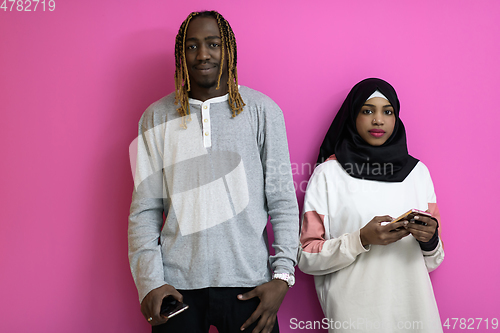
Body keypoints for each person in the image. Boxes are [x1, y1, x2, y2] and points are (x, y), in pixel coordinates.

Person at [128, 10, 299, 333]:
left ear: (229, 50)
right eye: (191, 46)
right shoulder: (156, 116)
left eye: (213, 44)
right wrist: (150, 283)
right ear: (181, 54)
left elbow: (282, 201)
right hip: (176, 289)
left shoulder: (263, 111)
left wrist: (282, 277)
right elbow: (144, 210)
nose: (203, 54)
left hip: (250, 284)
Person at [298, 78, 444, 333]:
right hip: (354, 319)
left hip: (416, 316)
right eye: (368, 110)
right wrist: (361, 239)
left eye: (388, 111)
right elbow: (306, 256)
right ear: (353, 115)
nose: (379, 120)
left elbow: (432, 261)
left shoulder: (418, 173)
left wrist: (430, 241)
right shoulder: (328, 174)